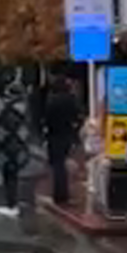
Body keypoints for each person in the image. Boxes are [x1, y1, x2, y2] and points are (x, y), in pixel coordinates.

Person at [0, 85, 32, 219]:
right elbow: (27, 128)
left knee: (9, 176)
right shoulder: (25, 108)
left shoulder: (8, 110)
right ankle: (12, 203)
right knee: (13, 175)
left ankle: (12, 205)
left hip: (8, 147)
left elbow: (0, 128)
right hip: (19, 146)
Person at [43, 77, 83, 207]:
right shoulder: (71, 100)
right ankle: (64, 195)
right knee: (64, 164)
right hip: (67, 135)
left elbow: (47, 118)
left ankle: (59, 196)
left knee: (58, 166)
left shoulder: (52, 100)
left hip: (54, 135)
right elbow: (78, 116)